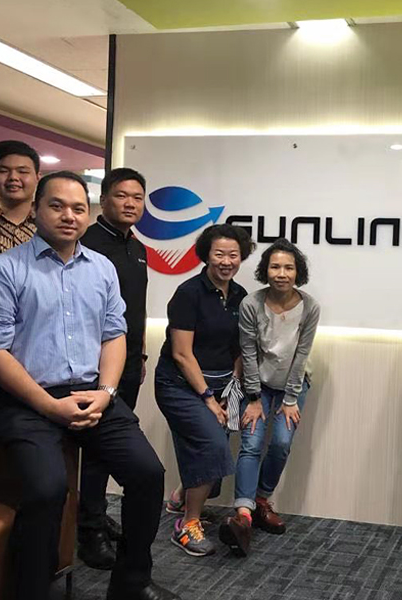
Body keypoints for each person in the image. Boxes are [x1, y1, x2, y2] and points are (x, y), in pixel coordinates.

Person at [0, 171, 177, 600]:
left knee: (148, 474)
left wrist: (106, 392)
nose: (69, 216)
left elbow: (114, 335)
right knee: (47, 489)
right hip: (27, 399)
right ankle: (32, 589)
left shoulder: (102, 268)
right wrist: (48, 405)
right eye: (57, 206)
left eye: (78, 208)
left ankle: (131, 582)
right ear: (36, 210)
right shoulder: (6, 268)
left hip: (92, 392)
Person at [155, 223, 255, 557]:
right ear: (206, 256)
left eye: (233, 255)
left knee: (215, 445)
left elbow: (239, 347)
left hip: (221, 385)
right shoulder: (189, 293)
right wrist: (209, 399)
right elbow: (182, 354)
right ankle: (187, 524)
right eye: (219, 254)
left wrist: (231, 388)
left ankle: (180, 497)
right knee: (211, 445)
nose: (226, 261)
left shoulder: (239, 295)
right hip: (180, 385)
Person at [219, 238, 320, 557]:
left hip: (293, 384)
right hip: (258, 385)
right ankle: (244, 514)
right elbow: (248, 352)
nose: (282, 273)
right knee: (251, 443)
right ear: (266, 270)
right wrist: (252, 397)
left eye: (289, 267)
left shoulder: (310, 306)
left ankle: (262, 499)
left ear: (298, 272)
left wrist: (290, 399)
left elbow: (302, 355)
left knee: (281, 442)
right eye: (275, 267)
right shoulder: (251, 303)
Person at [76, 167, 150, 569]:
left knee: (109, 450)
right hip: (95, 367)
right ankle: (88, 530)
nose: (130, 204)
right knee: (97, 451)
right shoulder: (87, 244)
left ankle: (96, 514)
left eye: (137, 197)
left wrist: (141, 355)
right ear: (103, 200)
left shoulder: (137, 248)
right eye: (121, 196)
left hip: (130, 362)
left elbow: (136, 310)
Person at [0, 140, 39, 255]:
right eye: (3, 171)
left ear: (37, 177)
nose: (13, 177)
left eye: (22, 171)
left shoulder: (50, 222)